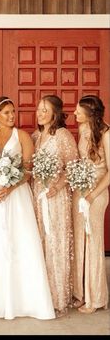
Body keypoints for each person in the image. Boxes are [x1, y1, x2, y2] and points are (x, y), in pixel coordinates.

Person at [0, 96, 55, 320]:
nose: (11, 116)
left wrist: (10, 187)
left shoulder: (22, 136)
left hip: (16, 197)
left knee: (20, 241)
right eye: (6, 113)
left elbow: (27, 169)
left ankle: (26, 302)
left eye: (13, 112)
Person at [32, 95, 78, 317]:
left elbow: (72, 167)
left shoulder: (63, 135)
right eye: (39, 109)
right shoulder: (35, 136)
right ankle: (41, 294)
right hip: (37, 195)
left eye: (45, 110)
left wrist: (57, 187)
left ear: (55, 114)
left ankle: (58, 299)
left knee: (55, 243)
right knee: (39, 242)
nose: (40, 113)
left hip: (56, 198)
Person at [72, 95, 109, 313]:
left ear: (89, 113)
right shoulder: (83, 130)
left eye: (78, 110)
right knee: (79, 242)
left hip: (96, 195)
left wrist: (92, 195)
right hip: (80, 191)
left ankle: (95, 298)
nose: (75, 113)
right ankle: (81, 293)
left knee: (93, 243)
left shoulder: (106, 133)